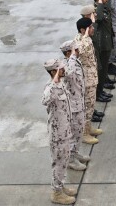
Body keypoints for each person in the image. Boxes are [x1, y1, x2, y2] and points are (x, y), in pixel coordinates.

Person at [41, 58, 77, 205]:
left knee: (64, 161)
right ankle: (56, 193)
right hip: (58, 135)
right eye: (61, 69)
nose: (64, 70)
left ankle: (61, 186)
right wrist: (54, 82)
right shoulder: (51, 87)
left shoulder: (61, 84)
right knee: (59, 163)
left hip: (65, 130)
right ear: (54, 71)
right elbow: (44, 100)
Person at [59, 41, 89, 172]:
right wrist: (71, 57)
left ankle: (75, 153)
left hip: (79, 101)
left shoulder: (75, 61)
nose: (78, 51)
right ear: (68, 53)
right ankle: (71, 159)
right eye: (75, 50)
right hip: (73, 106)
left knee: (79, 131)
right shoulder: (66, 65)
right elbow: (69, 74)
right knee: (74, 132)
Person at [74, 18, 102, 145]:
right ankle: (84, 134)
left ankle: (88, 128)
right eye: (90, 27)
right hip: (87, 80)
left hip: (92, 78)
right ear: (83, 30)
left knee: (91, 106)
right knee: (87, 107)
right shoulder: (79, 41)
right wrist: (85, 37)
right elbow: (79, 51)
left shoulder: (86, 39)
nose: (93, 29)